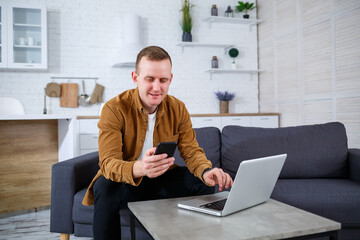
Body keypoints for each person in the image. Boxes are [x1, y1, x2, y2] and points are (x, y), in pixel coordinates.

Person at [82, 46, 233, 240]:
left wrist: (205, 171)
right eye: (149, 79)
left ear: (170, 79)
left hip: (162, 178)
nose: (156, 87)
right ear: (135, 78)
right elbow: (109, 163)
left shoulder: (178, 108)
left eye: (163, 80)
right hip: (128, 180)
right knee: (104, 186)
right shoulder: (114, 108)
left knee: (201, 182)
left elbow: (191, 151)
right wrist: (140, 168)